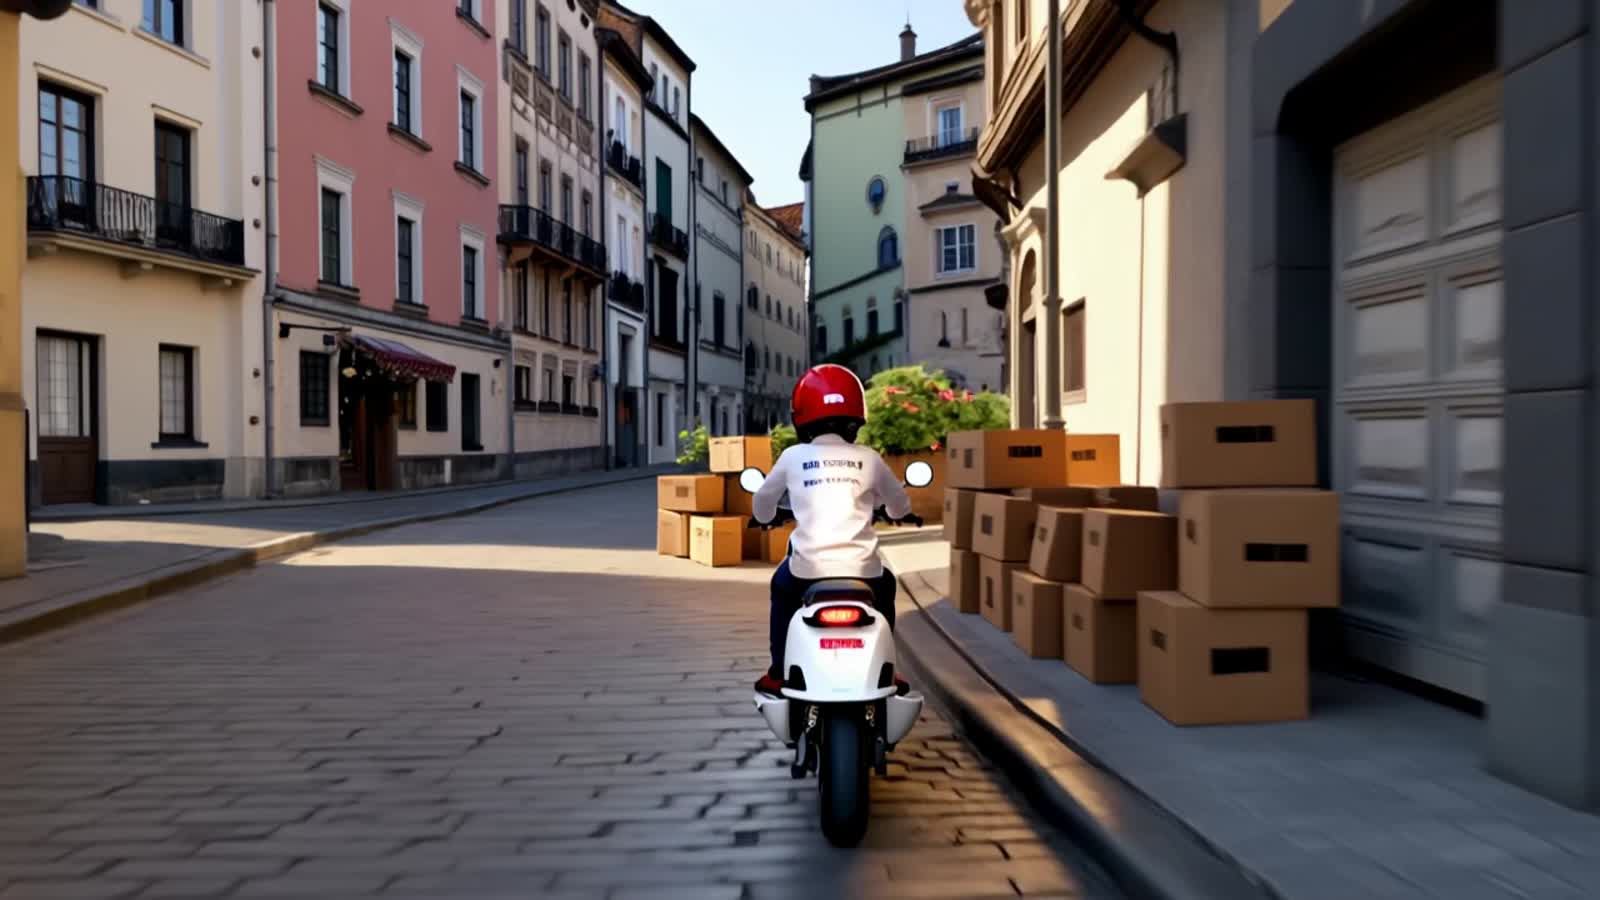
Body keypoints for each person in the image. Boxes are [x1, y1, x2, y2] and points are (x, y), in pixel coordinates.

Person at [751, 364, 914, 697]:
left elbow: (763, 501)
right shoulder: (868, 458)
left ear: (801, 416)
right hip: (863, 570)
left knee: (781, 590)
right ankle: (888, 667)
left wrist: (765, 516)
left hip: (806, 570)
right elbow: (900, 504)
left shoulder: (793, 456)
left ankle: (779, 671)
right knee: (887, 586)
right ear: (856, 416)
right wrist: (895, 512)